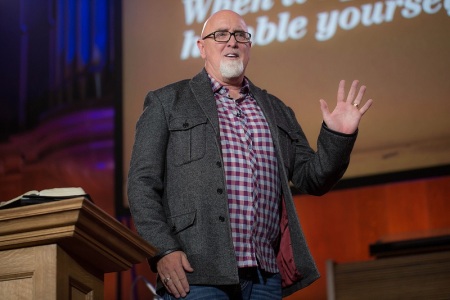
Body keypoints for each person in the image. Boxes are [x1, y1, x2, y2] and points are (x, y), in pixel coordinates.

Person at [127, 9, 372, 300]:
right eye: (220, 34)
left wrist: (338, 136)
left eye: (240, 35)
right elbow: (142, 185)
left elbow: (312, 179)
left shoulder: (276, 109)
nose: (232, 42)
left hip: (263, 277)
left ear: (249, 47)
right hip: (196, 273)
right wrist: (163, 250)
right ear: (201, 47)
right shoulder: (167, 102)